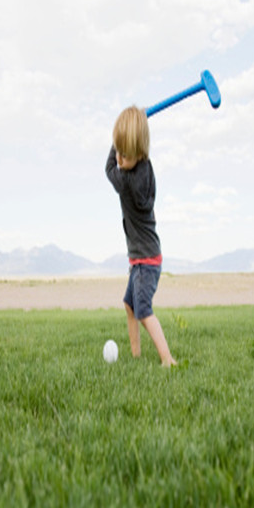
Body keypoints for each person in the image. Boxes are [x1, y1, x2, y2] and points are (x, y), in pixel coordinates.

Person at [105, 105, 177, 367]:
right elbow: (130, 153)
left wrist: (115, 143)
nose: (120, 159)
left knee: (143, 309)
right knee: (130, 305)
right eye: (119, 151)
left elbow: (108, 167)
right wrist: (132, 129)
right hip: (144, 257)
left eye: (125, 154)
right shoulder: (146, 167)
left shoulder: (126, 182)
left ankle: (167, 359)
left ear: (138, 152)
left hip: (145, 262)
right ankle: (136, 356)